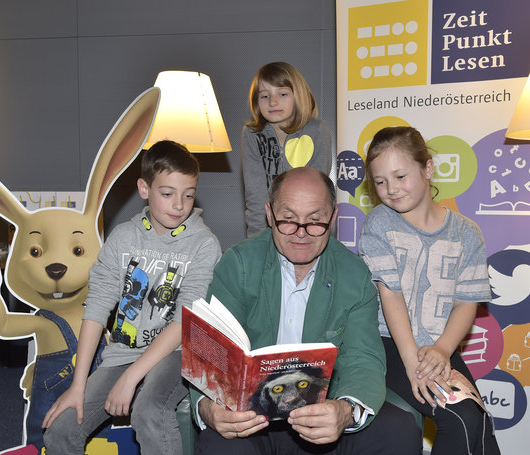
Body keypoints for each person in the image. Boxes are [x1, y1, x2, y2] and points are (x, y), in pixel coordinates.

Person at [191, 167, 421, 454]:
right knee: (221, 446)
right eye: (287, 219)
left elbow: (363, 357)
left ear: (333, 217)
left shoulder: (354, 274)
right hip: (253, 420)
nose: (301, 234)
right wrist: (209, 409)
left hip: (323, 412)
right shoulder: (238, 263)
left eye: (315, 221)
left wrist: (345, 411)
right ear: (269, 214)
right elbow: (212, 353)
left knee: (398, 431)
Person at [42, 140, 222, 455]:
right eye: (167, 194)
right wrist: (78, 384)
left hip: (180, 352)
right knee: (61, 430)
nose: (179, 205)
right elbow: (97, 306)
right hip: (125, 352)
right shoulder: (124, 236)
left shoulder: (203, 244)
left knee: (149, 411)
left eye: (188, 194)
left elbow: (184, 322)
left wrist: (131, 378)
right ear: (144, 188)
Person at [358, 126, 500, 454]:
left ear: (428, 169)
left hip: (438, 348)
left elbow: (466, 302)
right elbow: (389, 295)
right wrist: (412, 364)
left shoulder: (467, 231)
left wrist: (442, 350)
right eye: (380, 182)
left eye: (400, 176)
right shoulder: (379, 224)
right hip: (389, 346)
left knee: (479, 425)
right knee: (461, 419)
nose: (390, 189)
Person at [242, 61, 335, 237]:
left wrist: (306, 233)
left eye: (282, 93)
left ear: (298, 96)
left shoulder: (317, 130)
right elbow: (255, 196)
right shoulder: (252, 134)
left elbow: (317, 194)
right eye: (264, 96)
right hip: (268, 229)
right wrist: (256, 241)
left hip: (308, 229)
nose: (273, 102)